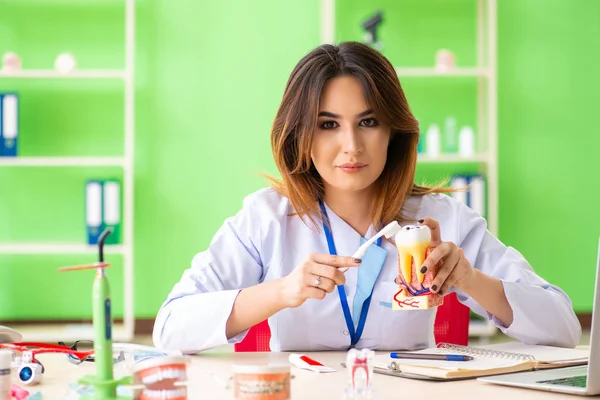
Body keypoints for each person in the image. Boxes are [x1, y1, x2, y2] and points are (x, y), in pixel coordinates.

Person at [152, 41, 581, 353]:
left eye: (369, 121)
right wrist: (281, 291)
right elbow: (170, 327)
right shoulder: (266, 217)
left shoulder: (440, 219)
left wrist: (469, 279)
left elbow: (564, 327)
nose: (352, 146)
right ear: (299, 135)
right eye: (327, 124)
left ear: (394, 131)